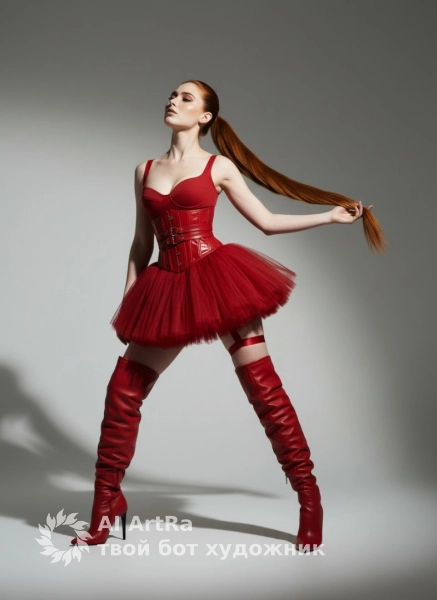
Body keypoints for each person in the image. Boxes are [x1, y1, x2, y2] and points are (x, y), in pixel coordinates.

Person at [71, 79, 385, 552]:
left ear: (205, 117)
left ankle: (309, 498)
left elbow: (267, 222)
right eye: (172, 94)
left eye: (186, 97)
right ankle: (105, 506)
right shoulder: (144, 170)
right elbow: (140, 243)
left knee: (264, 390)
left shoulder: (218, 166)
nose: (173, 100)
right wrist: (131, 301)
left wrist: (328, 216)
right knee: (122, 393)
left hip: (218, 280)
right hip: (166, 284)